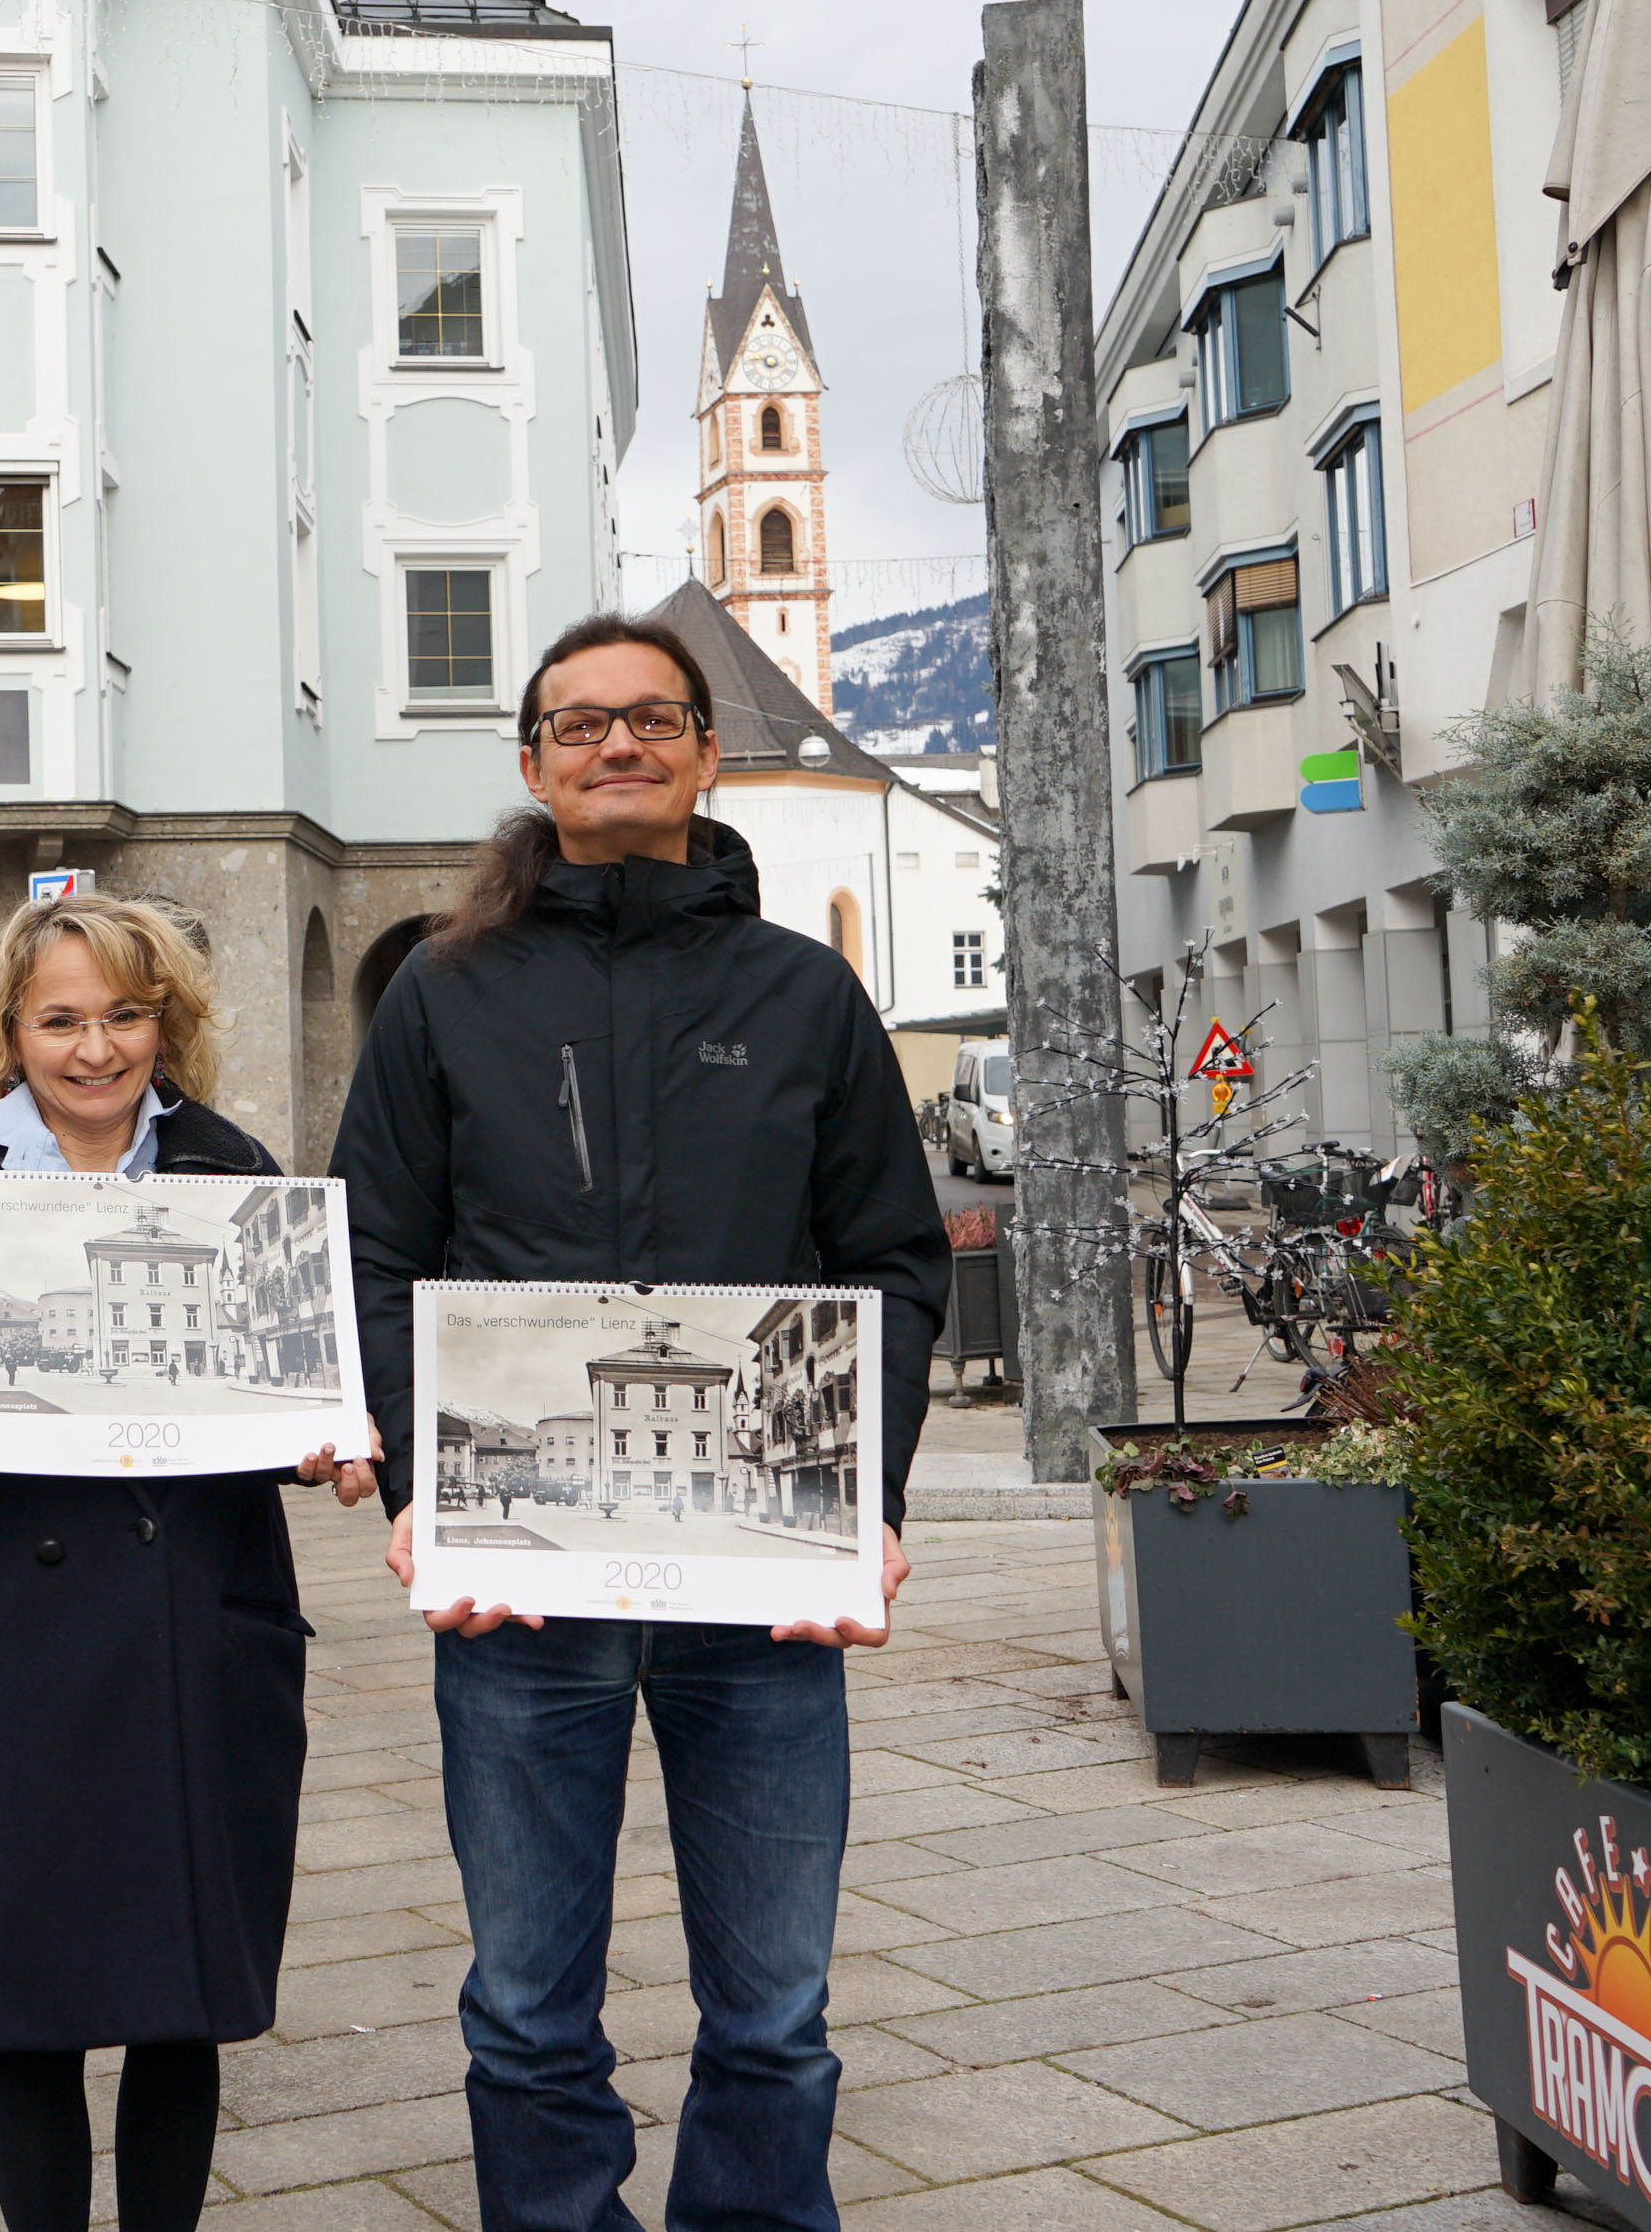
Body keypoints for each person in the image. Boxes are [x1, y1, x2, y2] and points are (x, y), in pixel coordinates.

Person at [330, 613, 950, 2232]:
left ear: (704, 753)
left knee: (771, 2004)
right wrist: (413, 1473)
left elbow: (885, 1257)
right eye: (580, 722)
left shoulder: (802, 994)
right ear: (530, 764)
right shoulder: (442, 993)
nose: (618, 742)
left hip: (758, 1568)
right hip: (519, 1572)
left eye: (651, 719)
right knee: (529, 2000)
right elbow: (375, 1254)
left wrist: (864, 1489)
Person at [0, 893, 379, 2232]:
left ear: (165, 1022)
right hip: (8, 1638)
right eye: (59, 1018)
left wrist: (324, 1436)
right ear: (9, 1031)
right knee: (33, 2005)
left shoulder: (234, 1170)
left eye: (124, 1014)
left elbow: (303, 1363)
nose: (93, 1048)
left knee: (180, 2001)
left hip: (195, 1635)